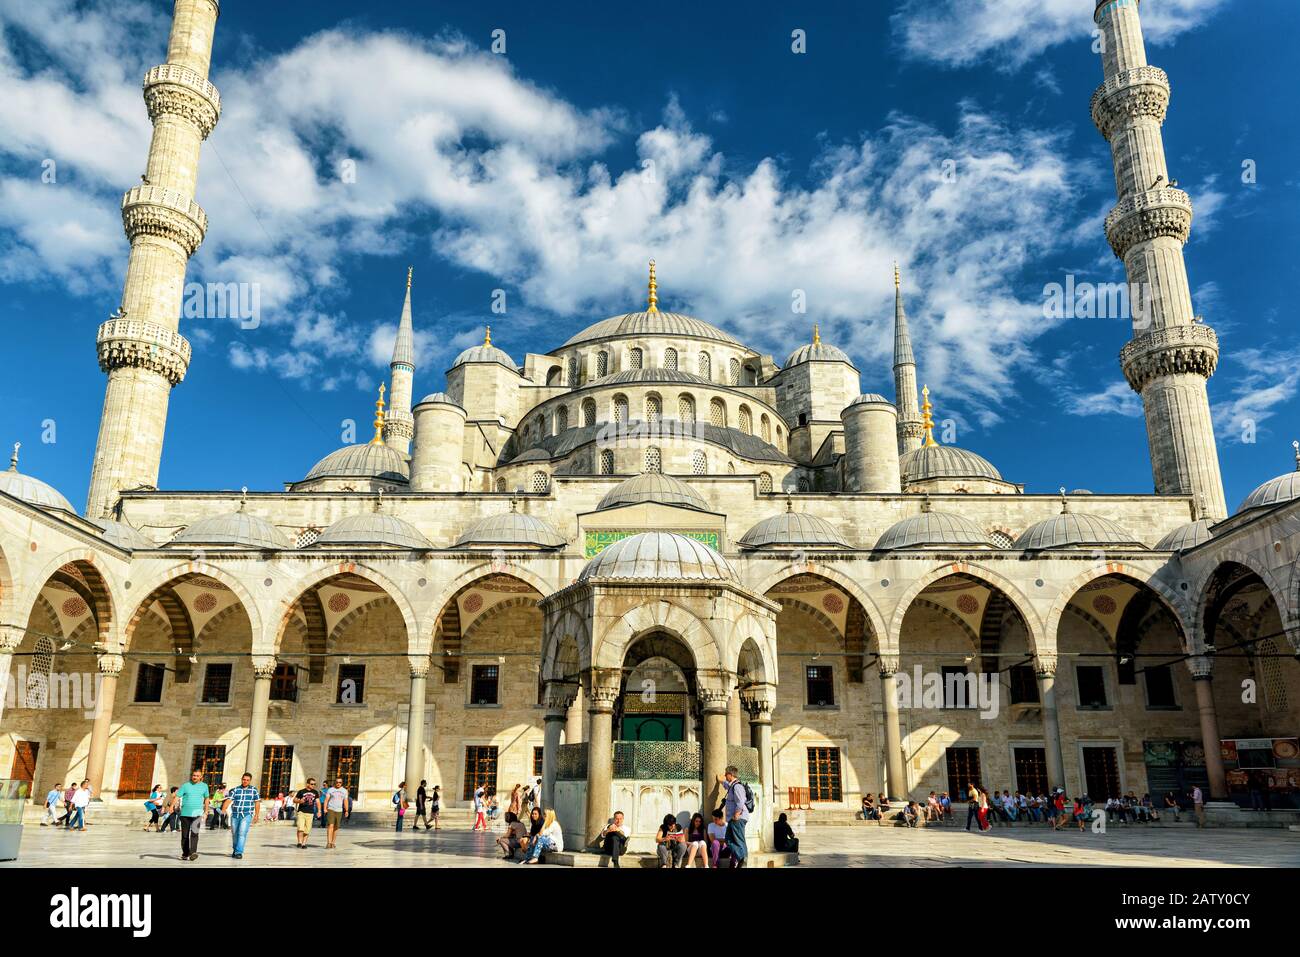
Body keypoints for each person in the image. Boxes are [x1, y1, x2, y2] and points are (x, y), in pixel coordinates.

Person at [717, 765, 751, 868]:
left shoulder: (737, 786)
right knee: (729, 840)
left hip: (738, 818)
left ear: (730, 775)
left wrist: (736, 814)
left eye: (726, 774)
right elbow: (727, 786)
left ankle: (743, 860)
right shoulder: (733, 785)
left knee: (739, 840)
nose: (725, 776)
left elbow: (740, 801)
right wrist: (721, 781)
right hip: (734, 818)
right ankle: (742, 858)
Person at [222, 772, 260, 859]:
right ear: (241, 779)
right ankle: (235, 850)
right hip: (235, 814)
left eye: (247, 780)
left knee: (242, 833)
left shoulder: (254, 790)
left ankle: (239, 852)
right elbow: (228, 800)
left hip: (246, 814)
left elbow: (257, 802)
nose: (245, 781)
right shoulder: (235, 790)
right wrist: (223, 810)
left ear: (250, 781)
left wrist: (257, 814)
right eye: (244, 779)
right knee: (234, 833)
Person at [176, 769, 210, 861]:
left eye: (197, 776)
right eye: (194, 775)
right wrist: (171, 806)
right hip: (185, 814)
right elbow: (177, 796)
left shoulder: (204, 786)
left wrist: (206, 811)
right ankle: (185, 853)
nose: (195, 777)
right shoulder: (185, 785)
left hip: (197, 814)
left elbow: (207, 799)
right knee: (185, 835)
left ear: (201, 777)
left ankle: (193, 853)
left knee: (195, 834)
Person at [324, 777, 351, 849]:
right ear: (334, 782)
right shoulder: (330, 790)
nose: (338, 784)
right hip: (331, 809)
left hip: (339, 810)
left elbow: (345, 801)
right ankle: (329, 843)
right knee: (331, 825)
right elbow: (326, 799)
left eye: (340, 782)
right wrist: (325, 808)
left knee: (336, 827)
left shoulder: (344, 791)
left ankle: (333, 843)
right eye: (337, 782)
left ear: (342, 783)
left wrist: (347, 810)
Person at [292, 777, 320, 849]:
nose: (313, 785)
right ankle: (299, 842)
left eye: (314, 784)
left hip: (310, 813)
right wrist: (299, 801)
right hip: (301, 812)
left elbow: (318, 802)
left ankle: (304, 844)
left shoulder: (315, 792)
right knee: (300, 828)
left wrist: (319, 811)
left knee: (307, 830)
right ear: (307, 784)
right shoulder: (301, 791)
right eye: (312, 784)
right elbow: (294, 800)